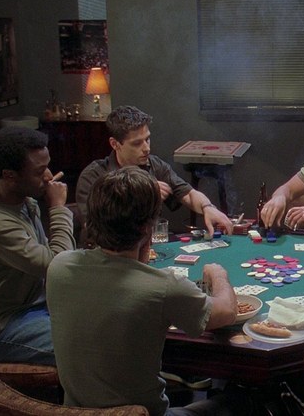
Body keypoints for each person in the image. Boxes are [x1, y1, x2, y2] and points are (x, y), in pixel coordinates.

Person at [48, 166, 242, 415]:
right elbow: (226, 312)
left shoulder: (59, 266)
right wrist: (218, 274)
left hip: (76, 412)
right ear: (147, 228)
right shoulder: (162, 287)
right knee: (241, 400)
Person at [0, 126, 75, 366]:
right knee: (89, 349)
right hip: (7, 324)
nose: (49, 176)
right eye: (39, 171)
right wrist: (58, 208)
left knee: (108, 324)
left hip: (39, 304)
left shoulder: (25, 201)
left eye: (47, 166)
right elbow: (58, 265)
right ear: (9, 175)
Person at [76, 105, 232, 237]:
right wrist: (142, 193)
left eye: (147, 139)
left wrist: (207, 207)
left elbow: (188, 194)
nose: (146, 148)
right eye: (137, 143)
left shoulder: (155, 165)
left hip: (149, 247)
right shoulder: (93, 176)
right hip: (110, 255)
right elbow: (94, 229)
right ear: (115, 144)